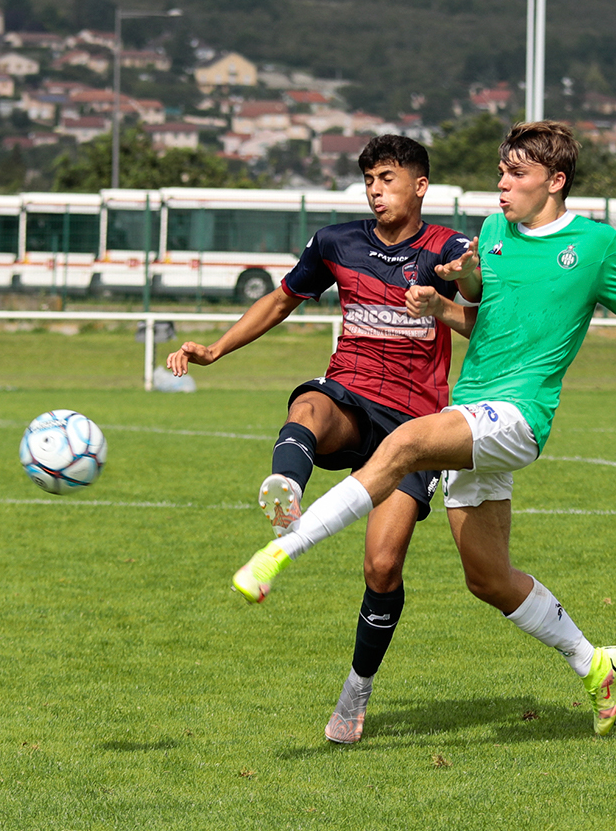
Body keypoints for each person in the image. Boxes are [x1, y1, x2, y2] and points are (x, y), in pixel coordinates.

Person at [231, 121, 616, 738]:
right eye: (501, 172)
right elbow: (482, 323)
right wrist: (444, 304)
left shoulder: (598, 245)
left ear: (554, 182)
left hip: (519, 417)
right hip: (472, 416)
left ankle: (283, 548)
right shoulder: (493, 234)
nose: (500, 186)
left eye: (515, 175)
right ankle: (593, 662)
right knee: (488, 578)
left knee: (406, 442)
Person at [166, 134, 474, 743]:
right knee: (309, 402)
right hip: (351, 397)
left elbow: (483, 312)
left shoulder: (448, 247)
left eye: (387, 178)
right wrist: (216, 349)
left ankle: (356, 692)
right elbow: (283, 298)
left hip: (415, 426)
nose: (375, 190)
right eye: (368, 181)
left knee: (382, 567)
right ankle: (287, 490)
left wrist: (449, 294)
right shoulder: (336, 241)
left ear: (420, 186)